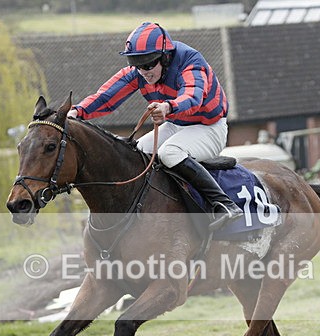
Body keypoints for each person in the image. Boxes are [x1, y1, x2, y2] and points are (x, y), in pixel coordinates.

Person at [67, 22, 243, 231]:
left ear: (166, 56)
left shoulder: (191, 62)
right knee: (137, 153)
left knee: (169, 152)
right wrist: (77, 111)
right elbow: (106, 97)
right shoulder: (140, 72)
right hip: (177, 124)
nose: (143, 71)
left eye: (149, 64)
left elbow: (193, 97)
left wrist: (169, 107)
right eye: (137, 65)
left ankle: (224, 205)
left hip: (209, 128)